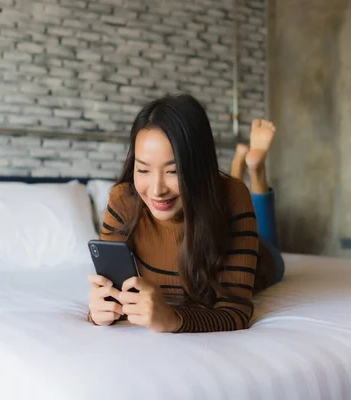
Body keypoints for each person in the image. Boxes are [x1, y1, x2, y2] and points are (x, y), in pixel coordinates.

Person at [87, 93, 285, 333]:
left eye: (173, 171)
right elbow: (113, 298)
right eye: (143, 169)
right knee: (232, 189)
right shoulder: (123, 200)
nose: (157, 190)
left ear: (198, 167)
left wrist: (174, 319)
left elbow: (235, 311)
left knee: (268, 240)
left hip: (264, 261)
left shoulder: (232, 199)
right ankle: (241, 166)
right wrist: (100, 311)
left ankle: (256, 172)